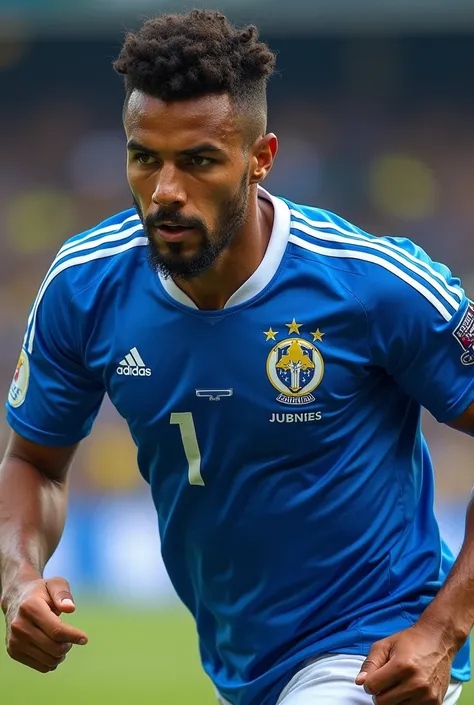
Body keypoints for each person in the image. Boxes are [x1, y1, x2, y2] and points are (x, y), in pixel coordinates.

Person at [1, 9, 473, 705]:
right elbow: (33, 463)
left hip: (371, 649)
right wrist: (19, 576)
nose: (165, 190)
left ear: (260, 159)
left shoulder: (374, 285)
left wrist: (443, 628)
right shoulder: (83, 287)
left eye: (197, 161)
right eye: (144, 157)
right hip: (243, 666)